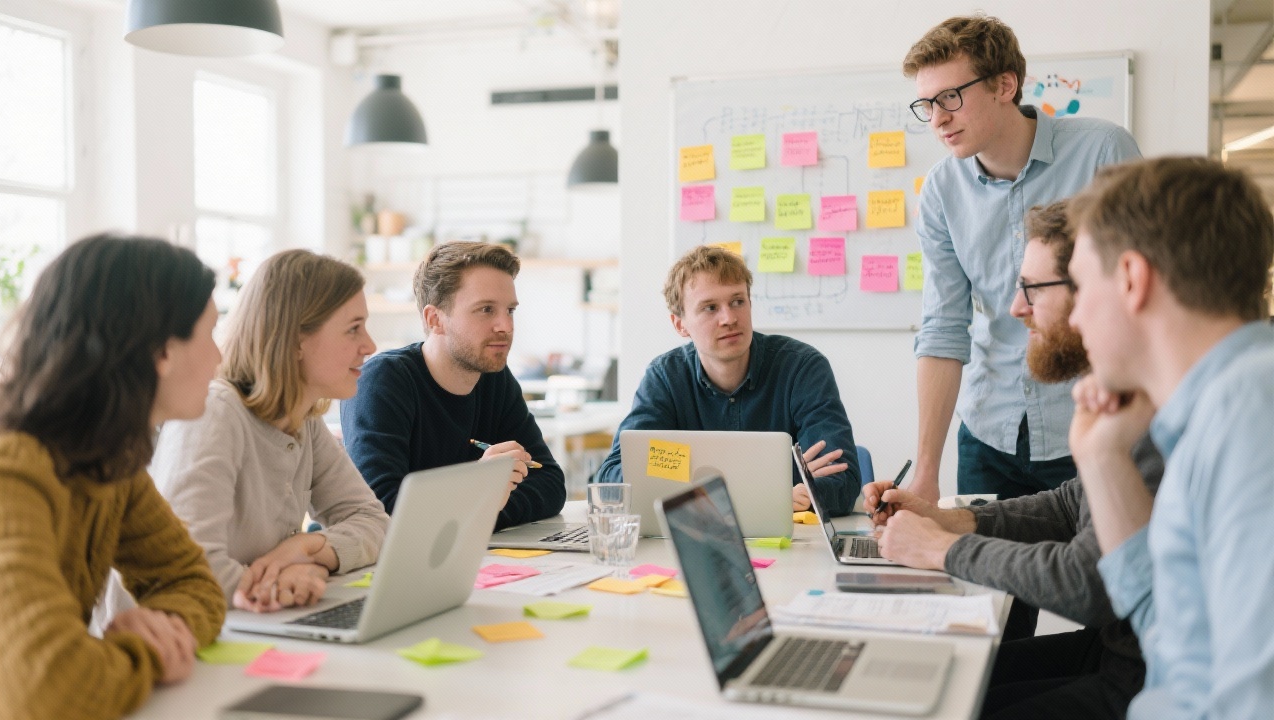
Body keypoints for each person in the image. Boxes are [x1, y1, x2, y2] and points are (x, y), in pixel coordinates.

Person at [864, 203, 1162, 719]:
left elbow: (1086, 582)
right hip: (1120, 649)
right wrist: (946, 519)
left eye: (1032, 288)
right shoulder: (1138, 391)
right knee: (941, 674)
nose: (1015, 308)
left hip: (1147, 679)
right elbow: (1073, 509)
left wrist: (944, 549)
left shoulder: (1165, 406)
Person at [1064, 157, 1274, 718]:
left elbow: (1254, 701)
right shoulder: (1213, 409)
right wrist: (1104, 457)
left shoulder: (1249, 410)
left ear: (1132, 279)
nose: (1076, 316)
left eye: (1081, 286)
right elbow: (1174, 629)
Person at [903, 15, 1141, 505]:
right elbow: (943, 327)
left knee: (1091, 577)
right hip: (991, 433)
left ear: (1004, 85)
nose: (938, 119)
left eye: (950, 97)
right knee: (985, 578)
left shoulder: (1102, 150)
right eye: (926, 104)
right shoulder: (941, 192)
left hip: (1093, 418)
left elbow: (1137, 298)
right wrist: (926, 470)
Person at [0, 234, 226, 720]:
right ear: (161, 350)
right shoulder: (10, 472)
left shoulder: (110, 460)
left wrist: (164, 624)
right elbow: (51, 690)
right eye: (210, 334)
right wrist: (152, 653)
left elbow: (194, 583)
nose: (219, 358)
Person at [151, 249, 389, 613]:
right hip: (175, 637)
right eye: (353, 328)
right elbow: (186, 563)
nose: (369, 346)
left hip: (244, 624)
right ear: (295, 340)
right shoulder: (215, 414)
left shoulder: (303, 419)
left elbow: (374, 522)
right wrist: (292, 579)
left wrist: (311, 549)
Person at [594, 244, 861, 516]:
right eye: (710, 308)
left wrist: (810, 493)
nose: (729, 318)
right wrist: (763, 495)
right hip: (701, 539)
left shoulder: (802, 368)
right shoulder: (665, 377)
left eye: (737, 301)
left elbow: (843, 481)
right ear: (680, 324)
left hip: (794, 546)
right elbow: (614, 476)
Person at [341, 241, 565, 530]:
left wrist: (475, 511)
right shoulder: (383, 382)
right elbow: (382, 510)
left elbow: (549, 482)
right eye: (486, 310)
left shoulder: (494, 378)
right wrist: (477, 494)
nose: (505, 326)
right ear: (435, 319)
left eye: (510, 310)